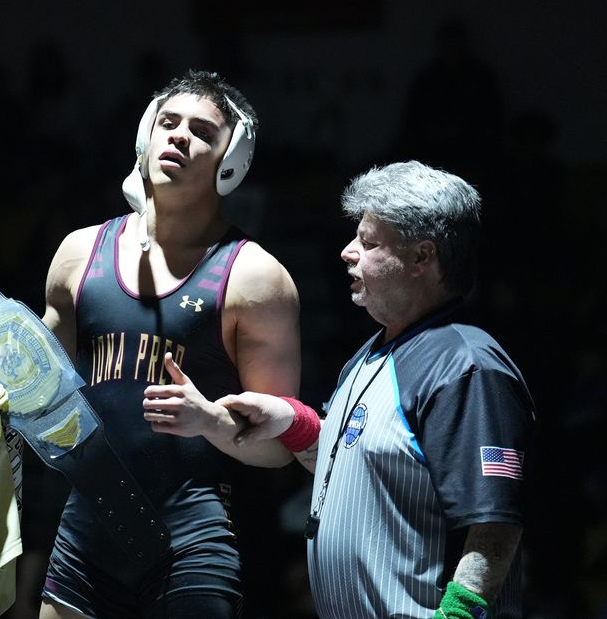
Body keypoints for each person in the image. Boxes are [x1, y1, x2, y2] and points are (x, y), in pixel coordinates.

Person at [0, 69, 301, 618]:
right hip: (86, 536)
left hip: (192, 544)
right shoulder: (77, 255)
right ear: (145, 135)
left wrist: (208, 420)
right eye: (168, 122)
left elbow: (280, 448)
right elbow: (40, 394)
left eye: (203, 131)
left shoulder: (257, 280)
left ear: (231, 162)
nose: (179, 136)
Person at [220, 160, 536, 618]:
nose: (348, 252)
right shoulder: (373, 353)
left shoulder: (466, 365)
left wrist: (457, 616)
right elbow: (347, 471)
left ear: (422, 257)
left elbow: (495, 524)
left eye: (368, 243)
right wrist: (292, 422)